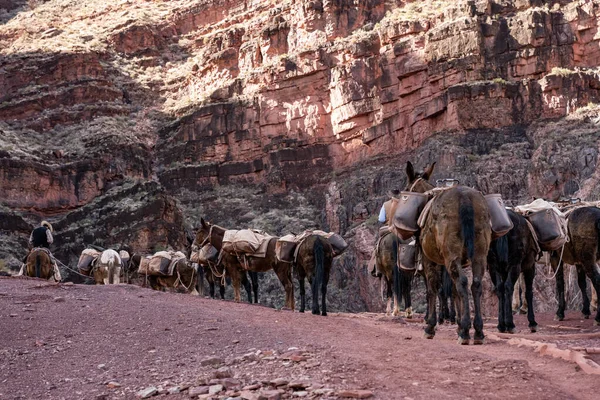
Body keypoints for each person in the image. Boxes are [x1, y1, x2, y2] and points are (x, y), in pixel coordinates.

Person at [369, 189, 401, 277]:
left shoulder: (386, 204)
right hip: (402, 228)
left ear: (390, 195)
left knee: (378, 246)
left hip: (389, 227)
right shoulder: (404, 203)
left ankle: (377, 268)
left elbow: (381, 219)